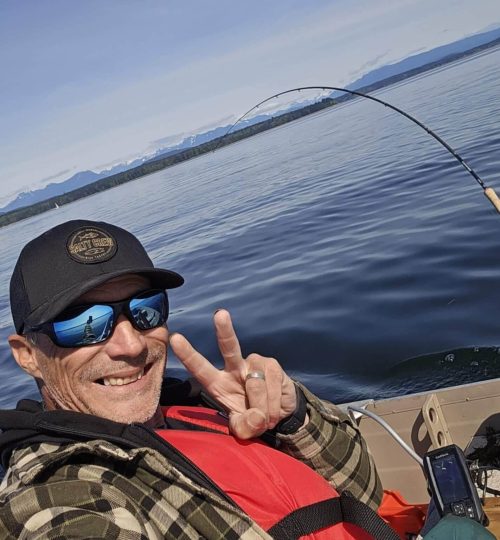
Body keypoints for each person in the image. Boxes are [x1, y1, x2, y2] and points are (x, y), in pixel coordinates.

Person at [0, 219, 385, 539]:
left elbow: (367, 492)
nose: (131, 343)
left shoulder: (203, 403)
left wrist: (292, 417)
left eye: (145, 309)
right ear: (27, 355)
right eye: (85, 325)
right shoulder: (58, 490)